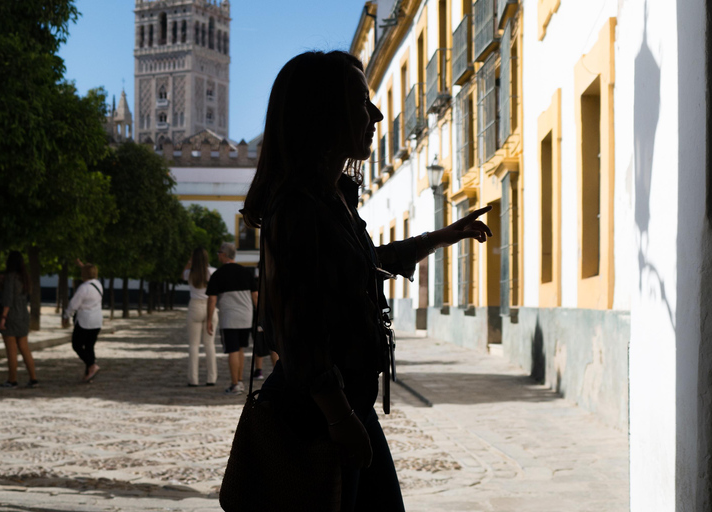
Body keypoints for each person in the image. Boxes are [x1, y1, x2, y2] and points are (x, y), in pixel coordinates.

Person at [239, 51, 492, 511]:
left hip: (347, 407)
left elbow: (365, 262)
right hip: (318, 417)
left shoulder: (331, 200)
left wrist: (443, 235)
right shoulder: (298, 206)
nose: (375, 115)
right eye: (361, 102)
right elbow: (299, 331)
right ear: (323, 114)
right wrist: (339, 419)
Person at [205, 242, 257, 395]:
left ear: (224, 254)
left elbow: (212, 300)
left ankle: (235, 384)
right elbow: (255, 296)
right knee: (240, 349)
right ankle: (239, 381)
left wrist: (209, 319)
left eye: (219, 252)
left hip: (229, 318)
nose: (218, 255)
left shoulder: (218, 274)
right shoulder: (246, 272)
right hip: (246, 317)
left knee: (232, 350)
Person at [0, 251, 38, 388]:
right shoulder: (25, 278)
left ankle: (12, 380)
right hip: (23, 315)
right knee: (24, 348)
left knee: (11, 351)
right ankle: (33, 378)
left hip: (12, 316)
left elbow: (8, 300)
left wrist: (3, 318)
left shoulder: (10, 278)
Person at [183, 247, 218, 387]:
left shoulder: (189, 273)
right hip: (210, 306)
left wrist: (190, 262)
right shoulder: (213, 272)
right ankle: (211, 378)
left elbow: (183, 274)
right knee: (209, 344)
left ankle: (193, 379)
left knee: (193, 345)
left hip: (195, 306)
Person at [64, 263, 103, 382]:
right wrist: (82, 265)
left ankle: (91, 365)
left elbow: (73, 304)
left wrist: (66, 315)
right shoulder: (98, 285)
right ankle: (89, 374)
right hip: (97, 321)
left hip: (85, 321)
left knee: (76, 344)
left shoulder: (83, 288)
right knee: (89, 347)